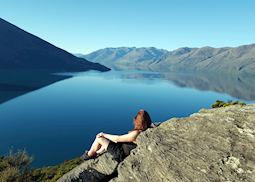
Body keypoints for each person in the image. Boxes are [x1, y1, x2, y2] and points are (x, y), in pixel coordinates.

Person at [81, 109, 154, 161]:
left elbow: (117, 138)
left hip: (120, 153)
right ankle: (97, 153)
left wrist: (103, 134)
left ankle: (88, 155)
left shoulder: (136, 133)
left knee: (99, 139)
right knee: (107, 140)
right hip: (121, 148)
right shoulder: (148, 130)